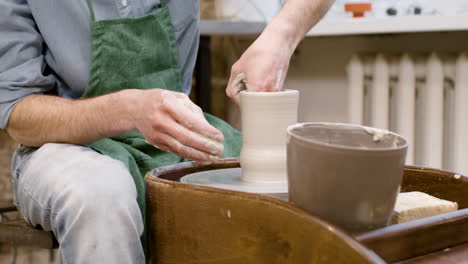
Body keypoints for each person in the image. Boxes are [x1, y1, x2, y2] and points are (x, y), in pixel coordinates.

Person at [0, 0, 333, 262]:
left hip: (174, 136)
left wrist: (280, 36)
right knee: (100, 194)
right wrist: (128, 109)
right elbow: (18, 113)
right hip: (63, 146)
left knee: (308, 188)